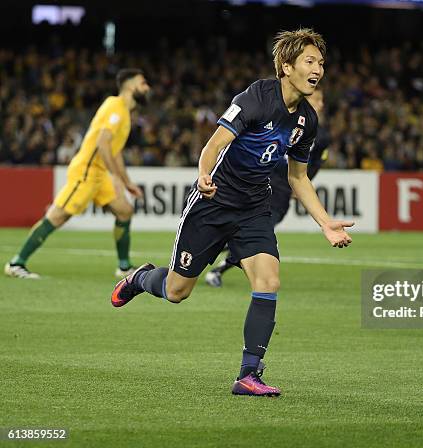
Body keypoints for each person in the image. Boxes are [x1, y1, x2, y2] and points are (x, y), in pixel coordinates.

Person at [110, 29, 353, 396]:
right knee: (177, 291)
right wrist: (203, 174)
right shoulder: (256, 98)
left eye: (320, 62)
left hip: (255, 207)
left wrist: (325, 222)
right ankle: (141, 278)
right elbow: (214, 144)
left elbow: (298, 176)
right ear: (286, 67)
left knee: (269, 281)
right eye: (309, 61)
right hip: (214, 203)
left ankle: (248, 374)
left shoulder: (307, 120)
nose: (318, 68)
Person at [5, 69, 149, 279]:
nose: (148, 88)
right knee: (58, 216)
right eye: (143, 83)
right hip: (86, 172)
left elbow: (114, 151)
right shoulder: (115, 107)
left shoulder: (125, 113)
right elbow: (102, 144)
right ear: (130, 86)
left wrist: (126, 181)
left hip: (99, 175)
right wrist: (117, 177)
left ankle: (124, 266)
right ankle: (16, 263)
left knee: (124, 210)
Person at [204, 88, 330, 287]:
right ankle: (217, 266)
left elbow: (313, 165)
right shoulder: (280, 117)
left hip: (283, 192)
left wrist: (300, 186)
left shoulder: (319, 135)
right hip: (263, 184)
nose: (321, 104)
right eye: (317, 98)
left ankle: (219, 257)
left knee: (251, 234)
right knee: (255, 235)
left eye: (322, 100)